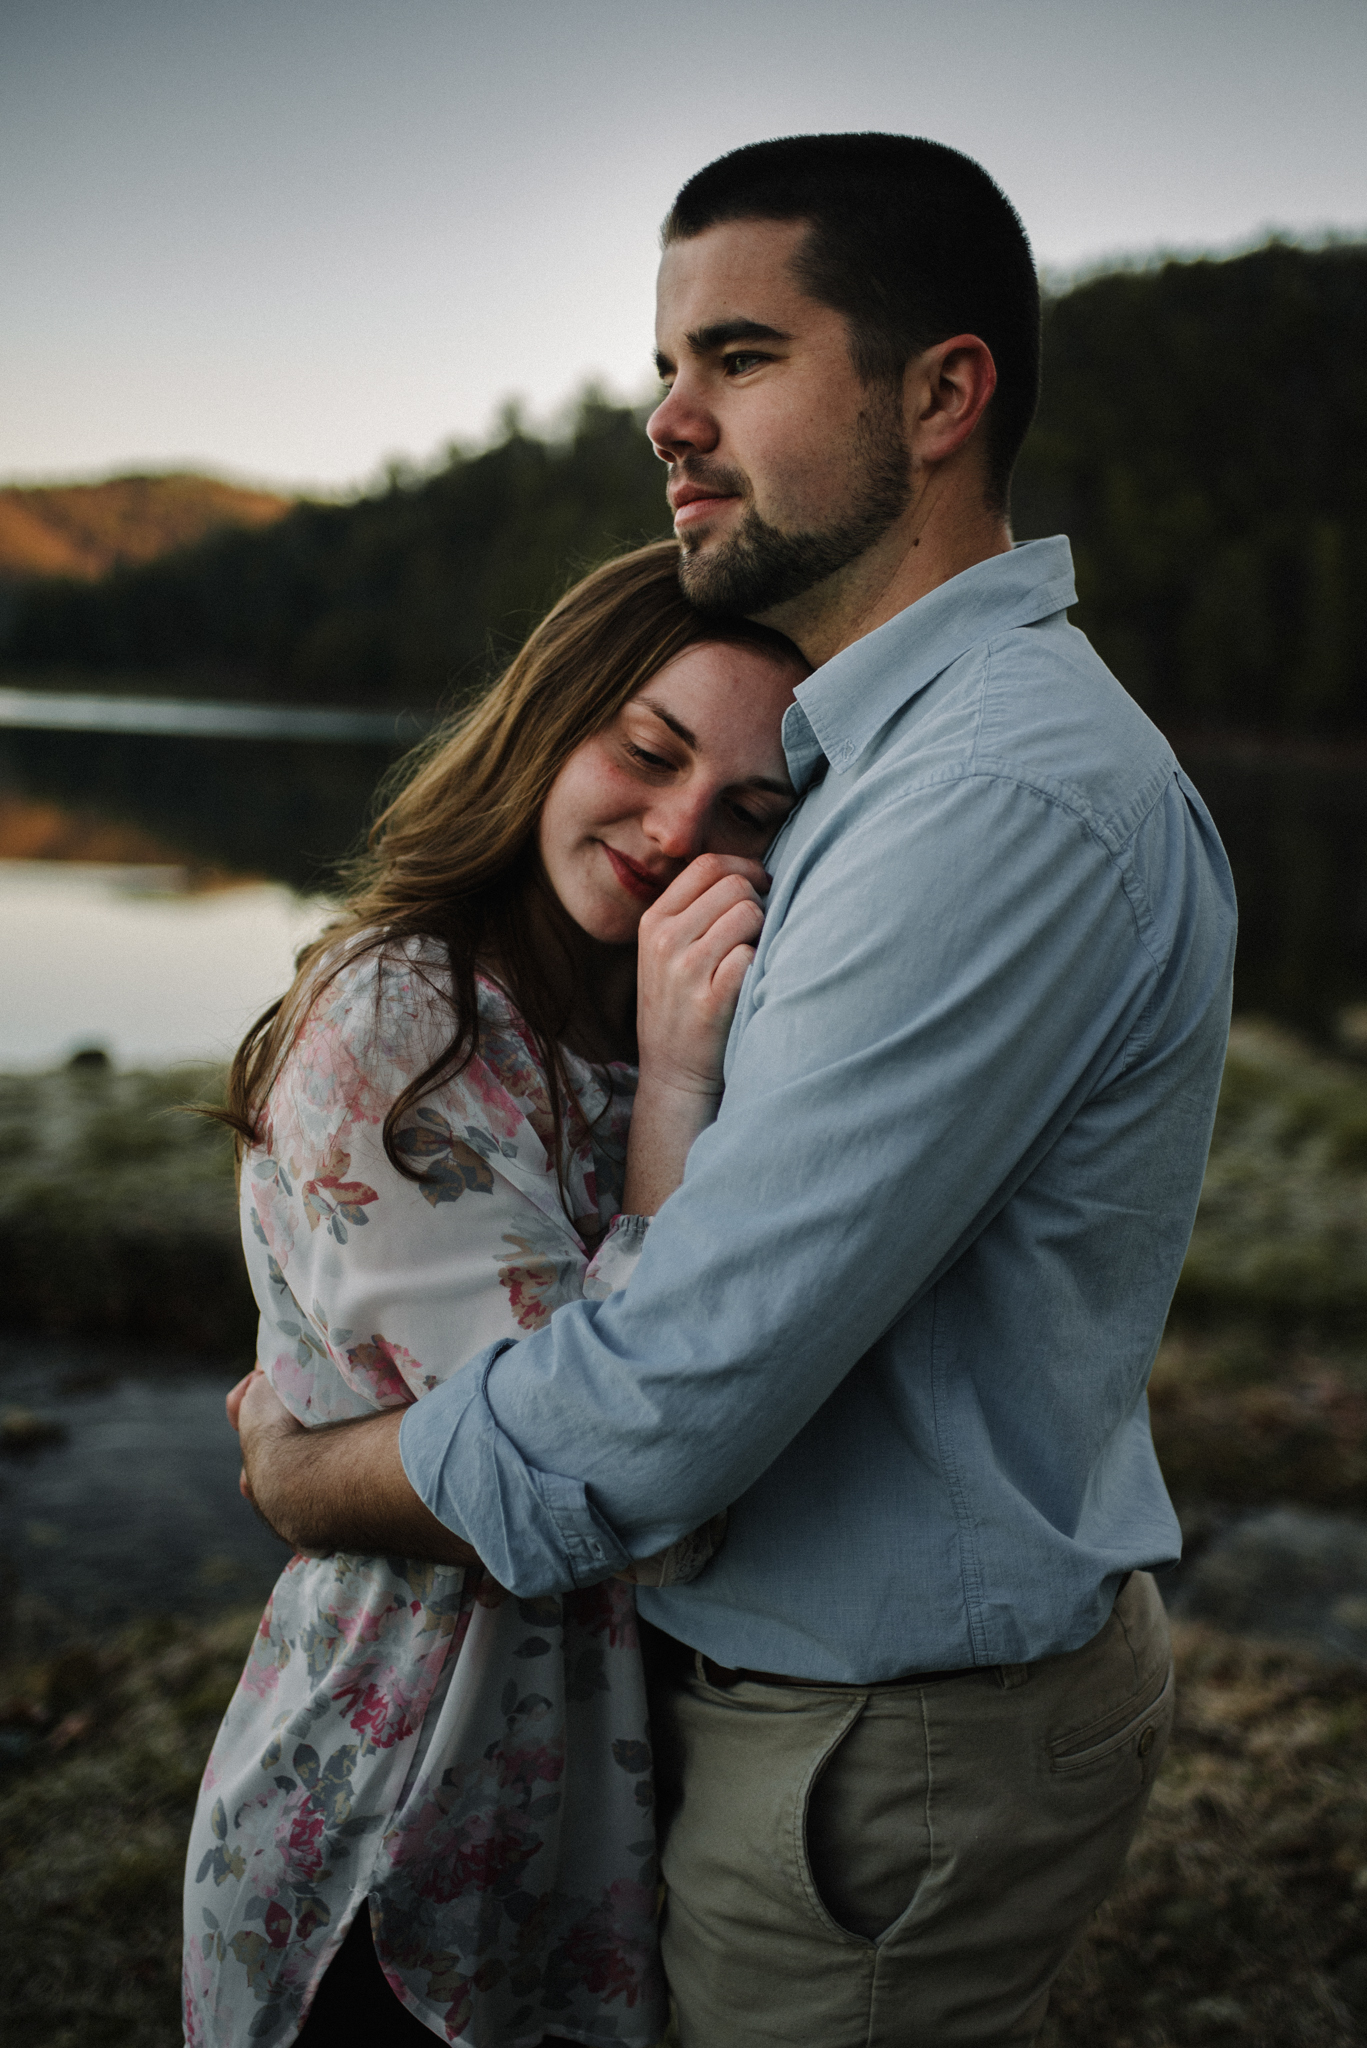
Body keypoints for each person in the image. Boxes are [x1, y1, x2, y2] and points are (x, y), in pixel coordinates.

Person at [237, 134, 1238, 2047]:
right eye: (664, 365)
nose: (666, 420)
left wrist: (308, 1478)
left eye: (740, 358)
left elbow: (671, 1398)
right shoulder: (883, 754)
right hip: (836, 1719)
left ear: (944, 394)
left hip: (884, 1746)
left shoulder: (992, 801)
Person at [182, 541, 807, 2048]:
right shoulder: (405, 1024)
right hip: (396, 1837)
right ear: (547, 721)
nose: (675, 830)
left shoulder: (678, 1007)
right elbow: (626, 1467)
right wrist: (674, 1093)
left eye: (747, 812)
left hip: (602, 1843)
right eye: (645, 753)